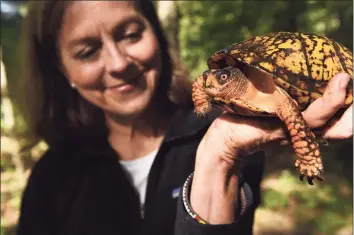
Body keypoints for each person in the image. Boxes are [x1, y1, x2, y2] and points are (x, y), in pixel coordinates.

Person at [16, 1, 353, 235]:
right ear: (62, 70)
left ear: (157, 37)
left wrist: (220, 155)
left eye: (131, 34)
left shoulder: (220, 133)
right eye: (87, 51)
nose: (119, 63)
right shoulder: (51, 179)